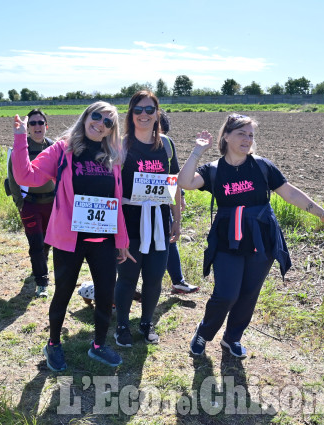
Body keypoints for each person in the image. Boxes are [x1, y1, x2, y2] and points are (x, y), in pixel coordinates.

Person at [177, 113, 324, 358]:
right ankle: (204, 332)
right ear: (226, 136)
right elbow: (185, 182)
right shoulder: (213, 170)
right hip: (226, 240)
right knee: (226, 294)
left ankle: (232, 338)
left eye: (251, 134)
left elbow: (291, 193)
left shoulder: (263, 166)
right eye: (241, 133)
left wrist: (321, 213)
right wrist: (197, 151)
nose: (247, 139)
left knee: (249, 293)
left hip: (260, 238)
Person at [12, 101, 134, 371]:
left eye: (108, 121)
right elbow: (25, 175)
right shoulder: (63, 149)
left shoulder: (112, 155)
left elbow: (116, 201)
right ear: (86, 116)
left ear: (111, 130)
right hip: (70, 238)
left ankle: (99, 345)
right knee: (63, 292)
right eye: (97, 116)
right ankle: (53, 343)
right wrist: (20, 137)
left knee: (106, 294)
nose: (100, 123)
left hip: (103, 239)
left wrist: (122, 241)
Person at [113, 91, 181, 347]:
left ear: (157, 113)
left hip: (159, 222)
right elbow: (113, 187)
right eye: (138, 110)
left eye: (149, 109)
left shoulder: (166, 144)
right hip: (129, 222)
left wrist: (177, 219)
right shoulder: (120, 145)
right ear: (131, 114)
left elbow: (173, 185)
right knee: (128, 277)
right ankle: (121, 325)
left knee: (154, 277)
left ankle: (146, 321)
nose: (144, 114)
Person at [7, 109, 55, 298]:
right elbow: (12, 177)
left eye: (40, 123)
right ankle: (42, 281)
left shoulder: (53, 147)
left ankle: (40, 264)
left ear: (46, 126)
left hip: (52, 204)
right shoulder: (20, 150)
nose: (37, 126)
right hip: (30, 204)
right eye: (32, 123)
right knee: (36, 243)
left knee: (47, 243)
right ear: (27, 128)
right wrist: (20, 202)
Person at [159, 110, 199, 295]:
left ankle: (178, 281)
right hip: (134, 207)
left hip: (162, 203)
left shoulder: (167, 145)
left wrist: (180, 196)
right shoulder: (128, 144)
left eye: (160, 130)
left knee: (169, 239)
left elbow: (173, 176)